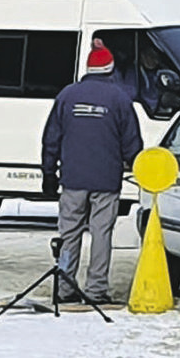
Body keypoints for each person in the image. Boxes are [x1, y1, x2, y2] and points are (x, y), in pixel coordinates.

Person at [42, 38, 143, 304]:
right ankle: (97, 290)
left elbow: (51, 137)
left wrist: (49, 172)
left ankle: (64, 287)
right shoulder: (120, 98)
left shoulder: (67, 95)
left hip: (73, 179)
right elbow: (131, 142)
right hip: (106, 181)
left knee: (69, 233)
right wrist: (138, 167)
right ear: (111, 69)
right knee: (101, 234)